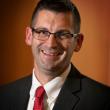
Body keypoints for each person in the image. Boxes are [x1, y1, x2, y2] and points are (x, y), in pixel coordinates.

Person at [0, 0, 110, 110]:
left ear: (78, 42)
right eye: (43, 32)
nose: (51, 44)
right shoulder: (4, 95)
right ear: (29, 36)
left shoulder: (103, 100)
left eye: (62, 34)